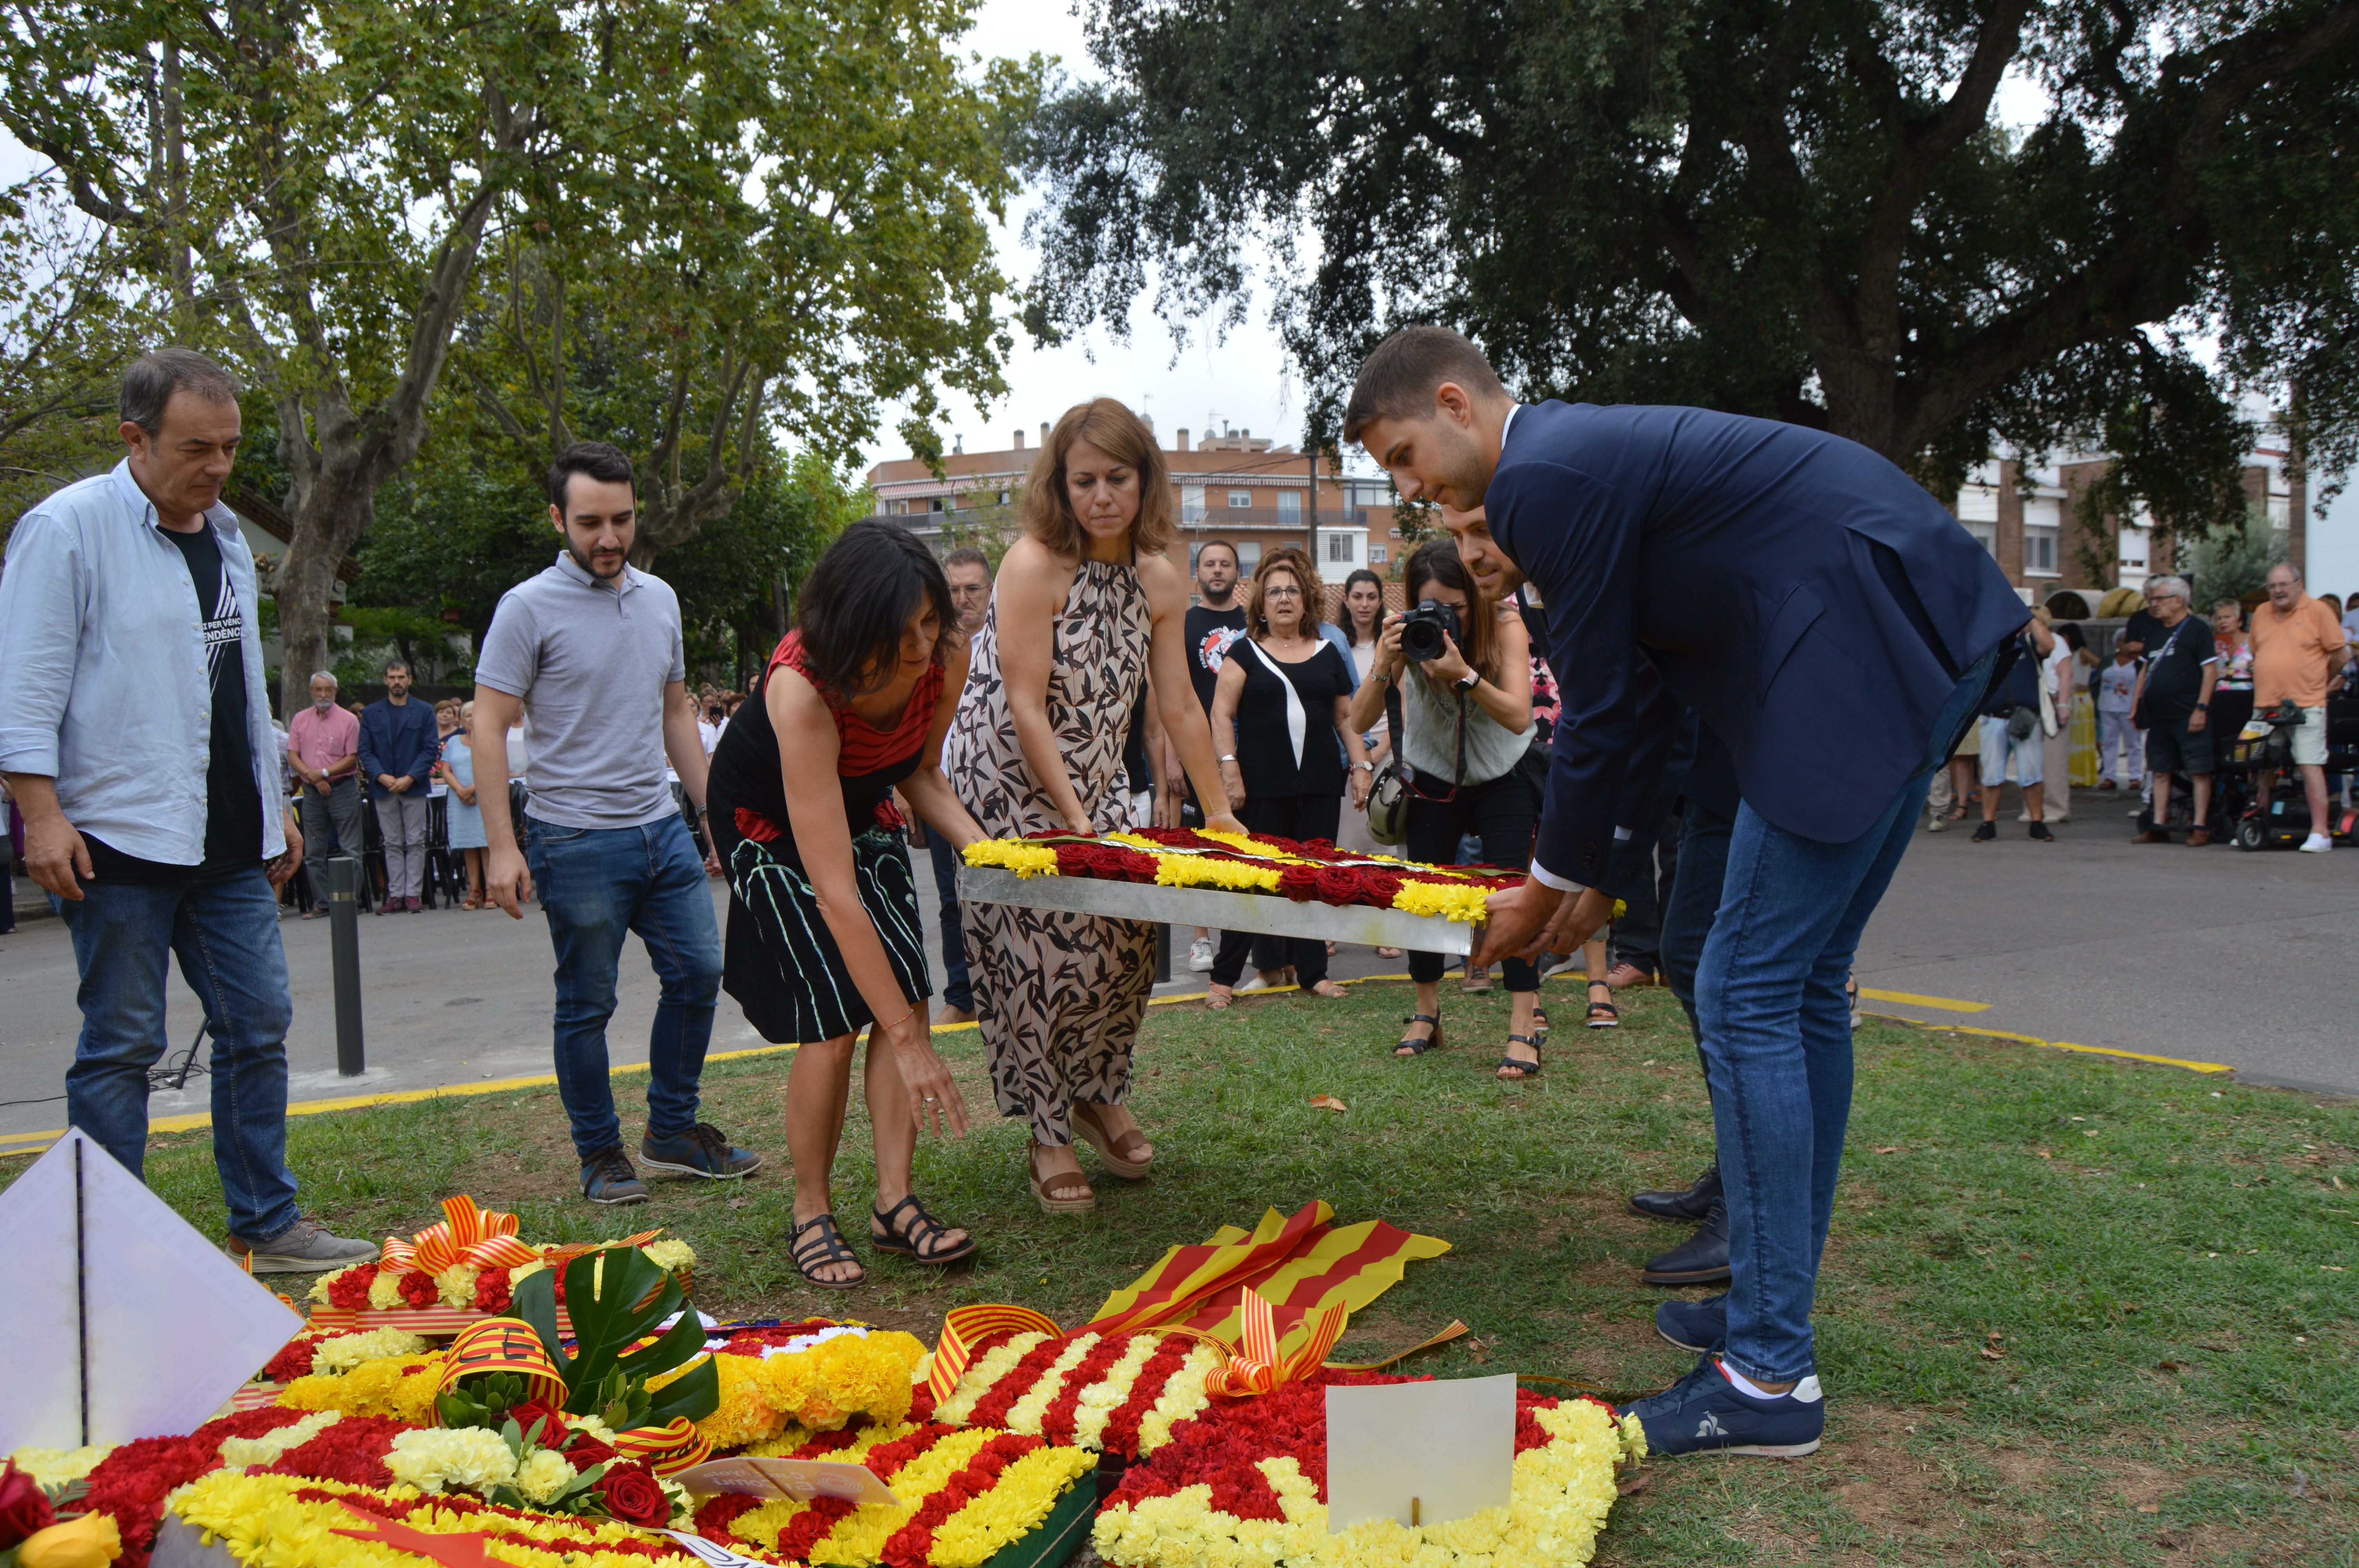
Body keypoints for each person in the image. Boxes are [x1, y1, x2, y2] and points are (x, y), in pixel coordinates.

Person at [1343, 326, 2029, 1458]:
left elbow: (1604, 705)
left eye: (1405, 456)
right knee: (1797, 991)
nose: (1409, 489)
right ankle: (1769, 1307)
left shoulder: (1544, 478)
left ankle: (1766, 1375)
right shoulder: (1566, 467)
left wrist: (1549, 882)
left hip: (1853, 640)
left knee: (1745, 989)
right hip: (1904, 628)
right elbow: (1648, 699)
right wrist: (1596, 884)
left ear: (1457, 406)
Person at [0, 347, 375, 1271]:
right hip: (114, 837)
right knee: (123, 1040)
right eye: (196, 447)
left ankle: (267, 1221)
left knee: (259, 1020)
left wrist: (276, 804)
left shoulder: (226, 544)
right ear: (135, 438)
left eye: (232, 448)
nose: (217, 468)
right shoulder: (67, 530)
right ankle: (107, 1244)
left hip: (227, 841)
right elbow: (25, 684)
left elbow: (242, 690)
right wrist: (40, 814)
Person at [941, 398, 1240, 1214]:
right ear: (1059, 485)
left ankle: (1099, 1089)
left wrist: (1217, 811)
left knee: (1129, 934)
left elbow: (1178, 701)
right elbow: (1024, 702)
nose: (1101, 494)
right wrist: (1075, 815)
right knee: (1041, 949)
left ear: (1143, 481)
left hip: (1096, 773)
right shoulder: (1032, 562)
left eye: (1117, 477)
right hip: (1002, 773)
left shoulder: (1159, 576)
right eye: (1083, 480)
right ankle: (1046, 1129)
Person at [472, 439, 758, 1205]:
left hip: (658, 826)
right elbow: (489, 724)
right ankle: (600, 1154)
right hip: (572, 837)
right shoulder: (526, 607)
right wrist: (503, 844)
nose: (608, 537)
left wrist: (716, 819)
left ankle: (670, 1131)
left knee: (699, 971)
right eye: (591, 521)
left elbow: (674, 713)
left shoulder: (660, 599)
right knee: (587, 1003)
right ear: (558, 517)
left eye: (622, 520)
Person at [707, 521, 980, 1286]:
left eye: (931, 620)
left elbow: (922, 774)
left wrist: (988, 851)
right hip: (767, 819)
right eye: (902, 632)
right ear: (851, 625)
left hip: (859, 802)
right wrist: (905, 1041)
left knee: (908, 995)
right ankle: (810, 1209)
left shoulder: (942, 658)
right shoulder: (802, 688)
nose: (923, 644)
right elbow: (835, 894)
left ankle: (894, 1204)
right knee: (832, 1016)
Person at [1348, 535, 1549, 1075]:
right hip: (1433, 778)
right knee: (1425, 896)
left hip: (1502, 772)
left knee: (1511, 895)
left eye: (1456, 608)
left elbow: (1517, 716)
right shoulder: (1407, 636)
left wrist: (1465, 674)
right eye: (1432, 606)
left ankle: (1524, 1023)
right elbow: (1360, 720)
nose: (1445, 618)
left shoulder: (1504, 623)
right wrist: (1385, 659)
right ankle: (1426, 1014)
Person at [1205, 546, 1368, 1006]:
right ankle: (1223, 980)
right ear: (1260, 601)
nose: (1283, 599)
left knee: (1313, 878)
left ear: (1307, 599)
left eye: (1292, 590)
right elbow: (1220, 714)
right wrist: (1229, 768)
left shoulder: (1328, 651)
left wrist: (1360, 767)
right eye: (1274, 591)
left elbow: (1345, 717)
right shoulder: (1244, 651)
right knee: (1251, 880)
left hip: (1319, 782)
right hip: (1262, 785)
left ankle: (1314, 973)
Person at [923, 546, 992, 1027]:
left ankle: (1004, 992)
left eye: (972, 589)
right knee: (953, 899)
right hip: (939, 789)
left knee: (1002, 894)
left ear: (990, 592)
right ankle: (962, 997)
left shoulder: (1012, 640)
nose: (963, 599)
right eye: (953, 590)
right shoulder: (924, 645)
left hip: (999, 790)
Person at [1175, 539, 1247, 973]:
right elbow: (1173, 694)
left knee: (1245, 845)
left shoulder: (1250, 623)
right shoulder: (1183, 625)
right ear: (1197, 573)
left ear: (1238, 573)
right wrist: (1169, 758)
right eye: (1209, 564)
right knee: (1200, 847)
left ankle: (1242, 936)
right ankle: (1201, 940)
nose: (1217, 570)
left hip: (1245, 750)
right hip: (1196, 751)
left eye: (1225, 564)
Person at [2247, 560, 2352, 853]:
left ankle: (2321, 832)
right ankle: (2257, 824)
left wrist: (2319, 682)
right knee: (2257, 764)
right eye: (2272, 586)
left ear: (2299, 585)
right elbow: (2259, 653)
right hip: (2266, 703)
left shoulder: (2319, 612)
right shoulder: (2261, 614)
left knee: (2309, 764)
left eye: (2283, 585)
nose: (2278, 591)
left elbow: (2341, 657)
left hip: (2306, 703)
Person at [2129, 575, 2220, 846]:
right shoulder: (2156, 633)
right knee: (2159, 769)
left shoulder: (2197, 630)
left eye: (2159, 599)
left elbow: (2210, 671)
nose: (2153, 605)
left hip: (2188, 714)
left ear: (2178, 601)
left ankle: (2201, 826)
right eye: (2152, 600)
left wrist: (2201, 708)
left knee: (2198, 770)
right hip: (2158, 716)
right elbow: (2144, 672)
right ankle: (2159, 823)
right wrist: (2135, 707)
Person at [359, 659, 438, 912]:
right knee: (391, 841)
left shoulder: (424, 710)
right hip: (384, 786)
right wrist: (380, 775)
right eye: (392, 677)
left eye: (401, 677)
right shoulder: (372, 713)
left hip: (413, 785)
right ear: (385, 680)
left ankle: (413, 894)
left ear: (410, 680)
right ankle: (396, 895)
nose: (397, 682)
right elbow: (364, 749)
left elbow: (430, 749)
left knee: (416, 840)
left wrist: (411, 777)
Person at [285, 671, 365, 919]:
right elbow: (293, 756)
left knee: (351, 848)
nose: (323, 694)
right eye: (319, 689)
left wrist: (323, 774)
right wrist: (314, 777)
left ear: (336, 692)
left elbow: (351, 758)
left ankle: (351, 900)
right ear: (311, 691)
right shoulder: (300, 719)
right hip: (311, 791)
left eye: (328, 690)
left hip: (342, 788)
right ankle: (322, 903)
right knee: (313, 850)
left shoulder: (349, 720)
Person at [1972, 615, 2058, 841]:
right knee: (1991, 774)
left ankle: (2037, 822)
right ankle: (1988, 822)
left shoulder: (2029, 643)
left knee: (2032, 772)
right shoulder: (1988, 646)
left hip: (2025, 718)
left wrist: (2030, 617)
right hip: (1993, 718)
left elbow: (2049, 645)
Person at [437, 700, 490, 905]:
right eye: (468, 715)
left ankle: (490, 888)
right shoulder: (453, 742)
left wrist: (471, 789)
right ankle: (474, 890)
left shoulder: (489, 740)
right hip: (459, 799)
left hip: (483, 796)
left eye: (476, 715)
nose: (472, 719)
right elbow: (445, 770)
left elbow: (494, 768)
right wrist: (461, 791)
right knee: (469, 844)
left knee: (486, 843)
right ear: (461, 720)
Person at [2094, 637, 2143, 790]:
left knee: (2133, 743)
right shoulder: (2109, 659)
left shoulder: (2140, 661)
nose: (2125, 644)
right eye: (2122, 640)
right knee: (2109, 742)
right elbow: (2098, 679)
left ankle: (2135, 776)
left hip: (2130, 707)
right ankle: (2109, 776)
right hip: (2107, 706)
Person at [2211, 599, 2253, 691]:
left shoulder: (2252, 641)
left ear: (2240, 620)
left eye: (2227, 617)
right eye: (2219, 619)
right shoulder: (2214, 645)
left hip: (2248, 696)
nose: (2223, 621)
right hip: (2219, 698)